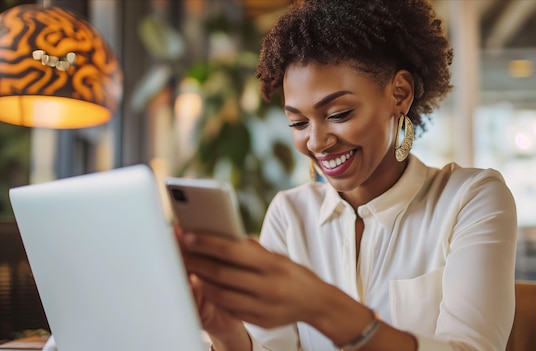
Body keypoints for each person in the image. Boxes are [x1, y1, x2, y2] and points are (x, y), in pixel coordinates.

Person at [181, 0, 518, 350]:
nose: (316, 141)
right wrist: (227, 333)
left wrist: (320, 304)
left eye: (339, 113)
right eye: (298, 122)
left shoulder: (470, 199)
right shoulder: (290, 215)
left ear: (399, 94)